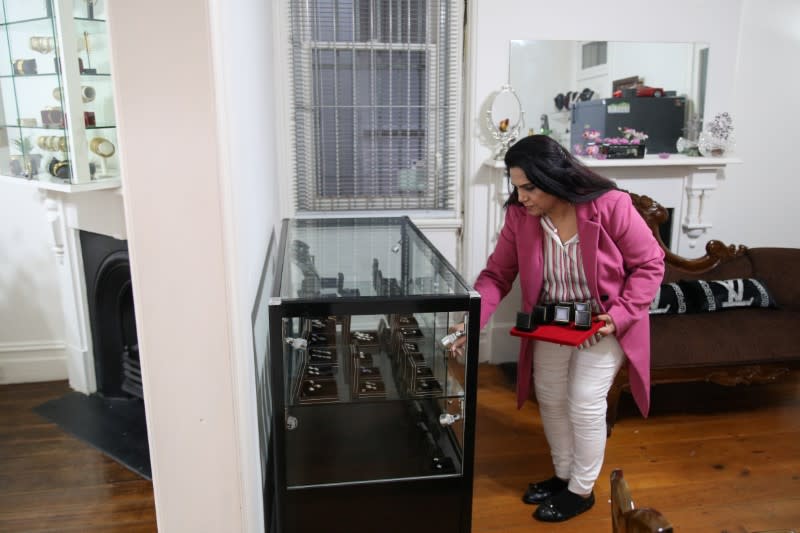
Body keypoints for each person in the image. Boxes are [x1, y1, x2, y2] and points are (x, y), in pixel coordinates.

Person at [451, 135, 664, 522]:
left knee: (583, 401)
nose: (522, 197)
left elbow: (651, 264)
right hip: (552, 322)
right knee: (549, 397)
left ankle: (581, 491)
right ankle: (563, 476)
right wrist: (473, 321)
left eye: (529, 187)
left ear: (554, 177)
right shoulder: (519, 216)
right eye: (516, 187)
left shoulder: (610, 205)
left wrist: (621, 314)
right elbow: (497, 274)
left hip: (603, 322)